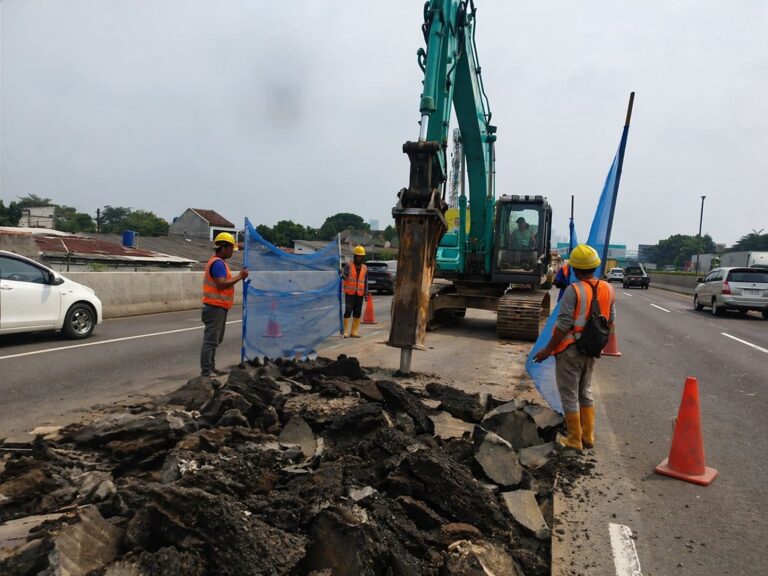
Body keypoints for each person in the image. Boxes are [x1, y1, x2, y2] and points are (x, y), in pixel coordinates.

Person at [533, 244, 615, 451]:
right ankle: (588, 437)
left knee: (569, 395)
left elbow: (563, 325)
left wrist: (547, 350)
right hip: (592, 349)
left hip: (570, 350)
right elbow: (610, 321)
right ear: (595, 266)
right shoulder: (608, 289)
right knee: (585, 392)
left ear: (575, 269)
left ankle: (574, 440)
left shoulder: (574, 290)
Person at [200, 232, 248, 378]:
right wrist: (240, 276)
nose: (232, 252)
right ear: (223, 247)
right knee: (211, 341)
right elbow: (221, 284)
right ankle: (207, 370)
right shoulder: (218, 263)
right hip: (215, 307)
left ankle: (211, 368)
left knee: (215, 340)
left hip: (219, 307)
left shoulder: (219, 263)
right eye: (231, 248)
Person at [342, 245, 368, 338]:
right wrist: (341, 274)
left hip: (360, 294)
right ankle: (346, 331)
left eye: (361, 256)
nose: (359, 258)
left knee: (357, 312)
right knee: (348, 311)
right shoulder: (348, 265)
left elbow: (365, 281)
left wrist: (366, 293)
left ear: (363, 257)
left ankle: (354, 332)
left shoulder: (365, 268)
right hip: (350, 293)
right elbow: (345, 277)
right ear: (355, 256)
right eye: (358, 256)